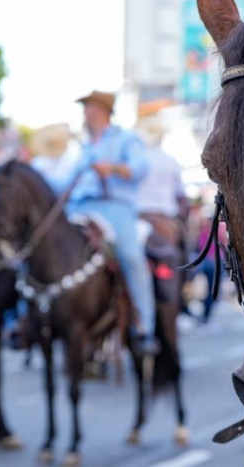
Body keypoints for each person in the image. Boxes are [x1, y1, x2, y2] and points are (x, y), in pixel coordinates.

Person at [64, 91, 157, 355]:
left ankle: (144, 328)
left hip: (115, 207)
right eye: (84, 109)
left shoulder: (126, 139)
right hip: (78, 207)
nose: (85, 113)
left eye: (89, 108)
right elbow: (62, 182)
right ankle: (32, 318)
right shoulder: (82, 147)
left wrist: (114, 169)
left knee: (131, 256)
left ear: (103, 110)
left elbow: (140, 168)